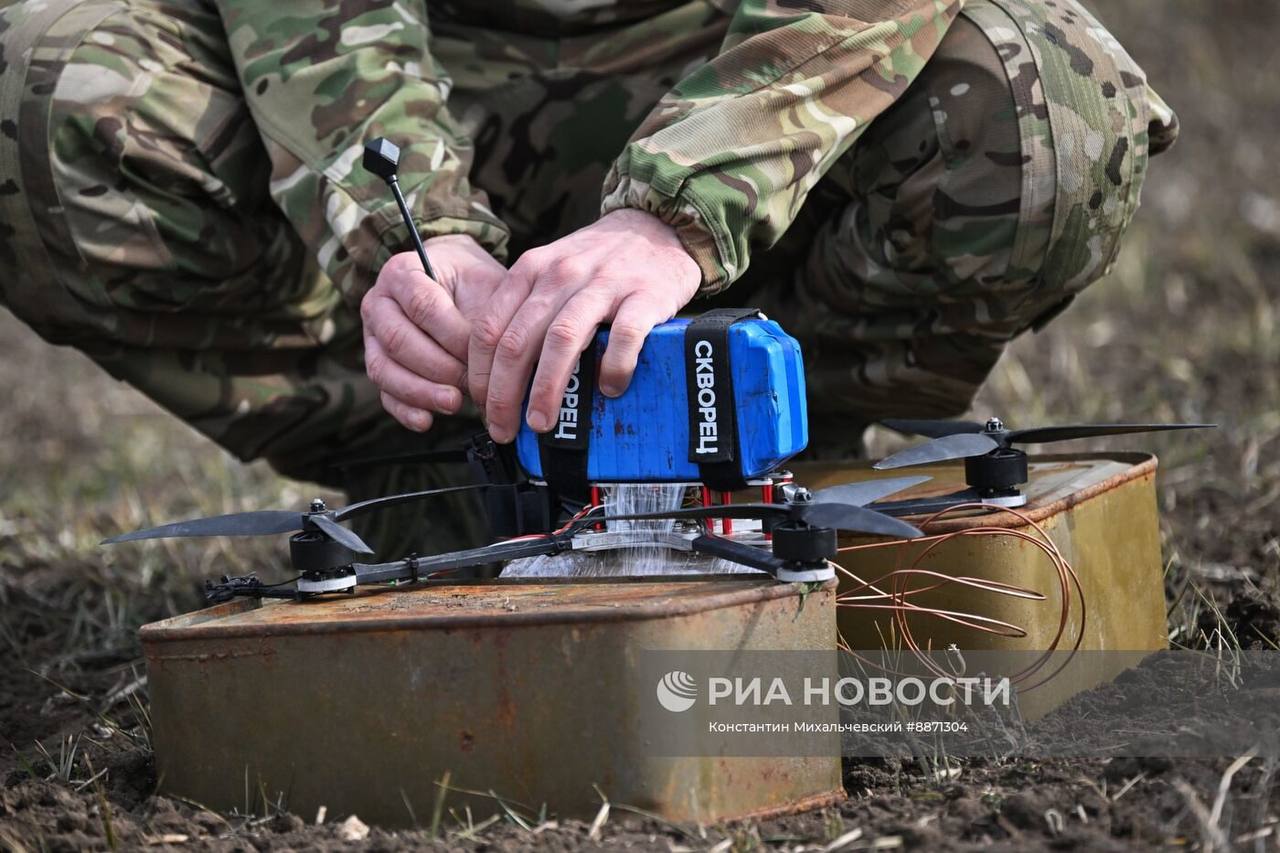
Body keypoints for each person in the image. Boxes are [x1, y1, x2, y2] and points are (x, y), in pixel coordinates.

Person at [0, 0, 1176, 553]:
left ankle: (758, 449)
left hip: (727, 60)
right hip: (417, 70)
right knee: (40, 100)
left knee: (1048, 102)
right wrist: (403, 235)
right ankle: (441, 476)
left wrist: (679, 208)